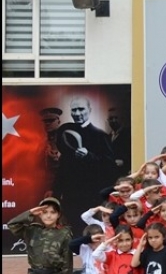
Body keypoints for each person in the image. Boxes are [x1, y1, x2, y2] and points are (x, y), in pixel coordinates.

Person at [54, 96, 117, 234]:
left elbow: (110, 166)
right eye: (74, 110)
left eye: (81, 109)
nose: (77, 113)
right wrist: (56, 193)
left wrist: (89, 156)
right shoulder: (66, 133)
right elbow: (63, 167)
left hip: (92, 197)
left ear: (89, 110)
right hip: (70, 197)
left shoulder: (101, 136)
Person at [107, 107, 131, 177]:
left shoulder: (129, 134)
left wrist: (124, 162)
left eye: (116, 118)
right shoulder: (107, 137)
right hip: (111, 174)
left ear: (122, 119)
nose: (113, 120)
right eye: (111, 118)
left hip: (124, 174)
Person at [40, 107, 62, 173]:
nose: (47, 123)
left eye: (51, 120)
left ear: (58, 121)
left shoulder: (65, 138)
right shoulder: (41, 141)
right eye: (45, 121)